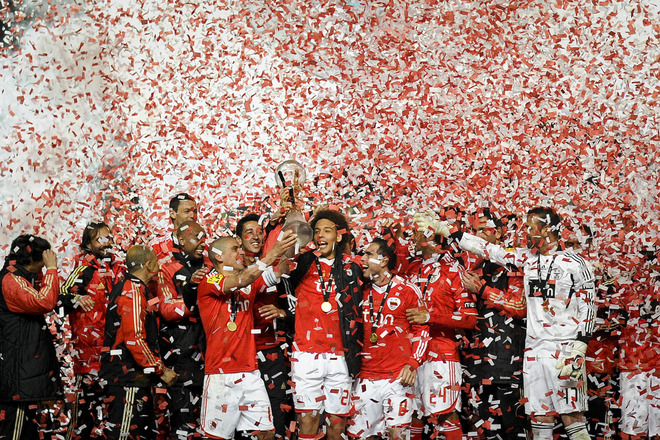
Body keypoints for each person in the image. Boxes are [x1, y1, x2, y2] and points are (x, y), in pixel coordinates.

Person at [430, 207, 596, 440]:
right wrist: (451, 232)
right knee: (539, 417)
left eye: (531, 227)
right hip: (534, 350)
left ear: (547, 229)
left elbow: (589, 307)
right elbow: (490, 249)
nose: (526, 231)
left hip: (565, 349)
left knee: (573, 417)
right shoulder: (526, 257)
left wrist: (580, 347)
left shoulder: (576, 264)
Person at [197, 231, 297, 440]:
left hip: (250, 373)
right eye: (235, 249)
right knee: (218, 437)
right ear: (219, 257)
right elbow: (242, 280)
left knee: (267, 432)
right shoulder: (210, 278)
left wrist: (289, 248)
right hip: (220, 374)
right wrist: (271, 254)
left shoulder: (250, 281)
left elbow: (279, 271)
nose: (241, 252)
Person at [284, 208, 364, 440]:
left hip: (340, 355)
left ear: (338, 236)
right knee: (307, 421)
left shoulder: (353, 267)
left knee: (336, 423)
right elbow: (280, 272)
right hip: (306, 354)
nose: (321, 236)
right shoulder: (303, 262)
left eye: (327, 231)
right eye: (317, 231)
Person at [405, 212, 478, 440]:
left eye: (417, 231)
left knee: (447, 415)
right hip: (412, 355)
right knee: (413, 415)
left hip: (442, 354)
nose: (413, 236)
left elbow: (469, 318)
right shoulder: (410, 269)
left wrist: (430, 316)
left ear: (432, 236)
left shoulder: (453, 270)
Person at [348, 237, 429, 440]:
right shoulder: (358, 290)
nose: (362, 258)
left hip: (397, 378)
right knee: (362, 436)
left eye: (369, 254)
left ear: (384, 260)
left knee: (397, 435)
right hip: (364, 377)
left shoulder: (408, 290)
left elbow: (422, 331)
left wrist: (412, 363)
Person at [460, 209, 527, 440]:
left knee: (509, 426)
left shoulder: (512, 261)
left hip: (506, 362)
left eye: (482, 230)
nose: (477, 236)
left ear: (498, 232)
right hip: (477, 362)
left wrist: (482, 290)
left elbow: (519, 307)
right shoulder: (475, 265)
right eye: (473, 231)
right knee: (483, 426)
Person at [100, 245, 178, 440]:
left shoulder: (133, 288)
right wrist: (161, 369)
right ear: (149, 264)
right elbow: (134, 338)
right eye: (156, 261)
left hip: (133, 380)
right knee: (125, 435)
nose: (159, 266)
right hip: (128, 381)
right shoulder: (133, 292)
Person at [59, 222, 124, 439]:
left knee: (111, 421)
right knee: (82, 422)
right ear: (88, 244)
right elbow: (61, 296)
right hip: (89, 360)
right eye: (100, 239)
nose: (107, 243)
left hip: (113, 360)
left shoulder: (119, 268)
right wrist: (78, 298)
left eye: (109, 237)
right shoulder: (84, 269)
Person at [236, 213, 293, 439]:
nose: (256, 236)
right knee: (245, 417)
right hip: (241, 354)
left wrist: (283, 313)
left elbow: (294, 297)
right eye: (249, 232)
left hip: (271, 351)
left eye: (260, 232)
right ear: (238, 240)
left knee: (278, 410)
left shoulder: (277, 268)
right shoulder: (231, 268)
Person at [0, 235, 60, 440]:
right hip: (17, 377)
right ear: (34, 261)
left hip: (24, 374)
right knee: (14, 432)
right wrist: (52, 269)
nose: (43, 271)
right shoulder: (11, 280)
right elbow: (44, 301)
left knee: (27, 433)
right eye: (42, 266)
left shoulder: (20, 275)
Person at [156, 221, 209, 439]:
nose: (202, 243)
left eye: (204, 238)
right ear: (182, 240)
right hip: (181, 356)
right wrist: (196, 300)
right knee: (182, 426)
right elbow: (166, 309)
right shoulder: (166, 267)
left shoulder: (211, 265)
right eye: (197, 237)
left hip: (210, 356)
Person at [149, 193, 198, 263]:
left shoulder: (205, 245)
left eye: (195, 211)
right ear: (173, 214)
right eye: (187, 211)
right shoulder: (156, 246)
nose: (193, 215)